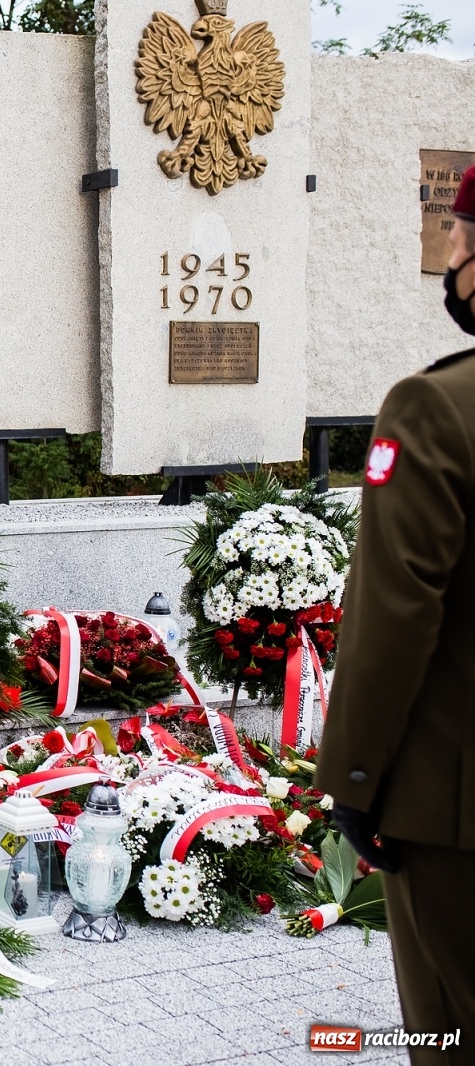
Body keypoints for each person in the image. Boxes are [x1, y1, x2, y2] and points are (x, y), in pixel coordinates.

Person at [317, 166, 475, 1063]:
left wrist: (358, 779)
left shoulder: (435, 408)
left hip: (456, 816)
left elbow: (396, 616)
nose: (447, 252)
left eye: (456, 234)